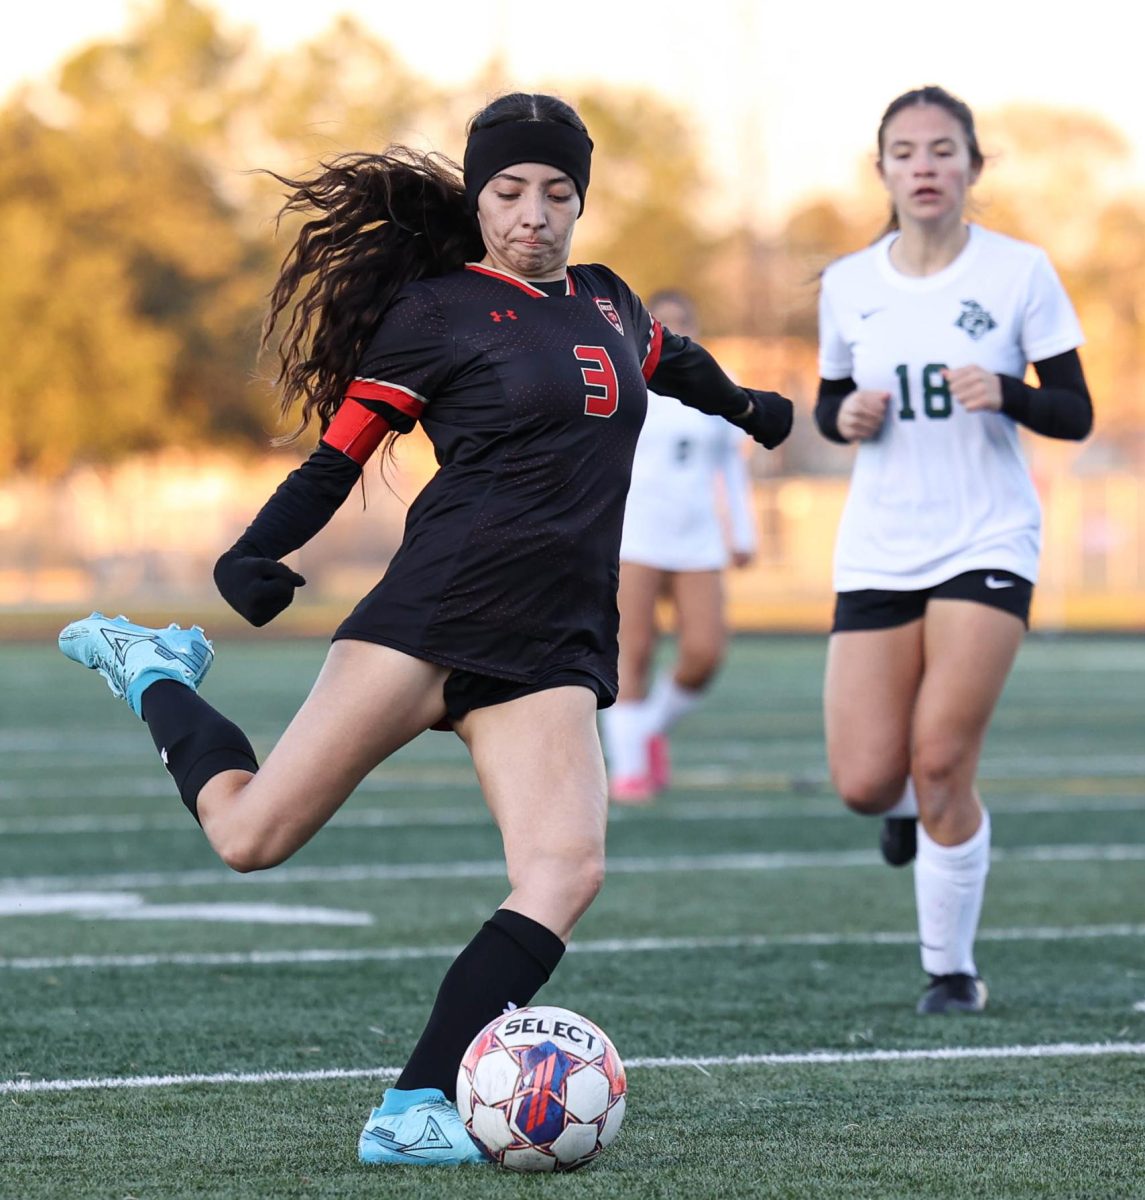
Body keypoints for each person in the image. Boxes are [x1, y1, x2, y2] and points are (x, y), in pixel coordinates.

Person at [59, 93, 793, 1165]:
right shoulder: (440, 312)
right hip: (436, 614)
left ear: (580, 202)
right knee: (249, 837)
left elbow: (669, 358)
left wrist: (747, 406)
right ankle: (154, 669)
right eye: (507, 192)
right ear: (476, 197)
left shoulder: (611, 304)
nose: (532, 213)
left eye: (555, 192)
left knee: (565, 871)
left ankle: (412, 1107)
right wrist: (255, 552)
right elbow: (339, 453)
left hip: (551, 643)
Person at [815, 85, 1092, 1015]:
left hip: (986, 538)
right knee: (864, 782)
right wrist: (841, 413)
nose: (924, 167)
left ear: (974, 166)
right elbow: (827, 400)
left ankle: (950, 970)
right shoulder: (851, 282)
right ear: (882, 168)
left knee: (939, 761)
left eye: (942, 151)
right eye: (904, 151)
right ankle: (898, 815)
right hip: (880, 545)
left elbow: (1075, 410)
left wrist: (1009, 392)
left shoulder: (1019, 272)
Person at [601, 289, 758, 803]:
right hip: (634, 534)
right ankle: (628, 770)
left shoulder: (713, 382)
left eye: (681, 323)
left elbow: (731, 464)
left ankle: (647, 732)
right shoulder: (619, 377)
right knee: (634, 652)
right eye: (660, 324)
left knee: (704, 652)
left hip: (697, 539)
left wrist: (744, 531)